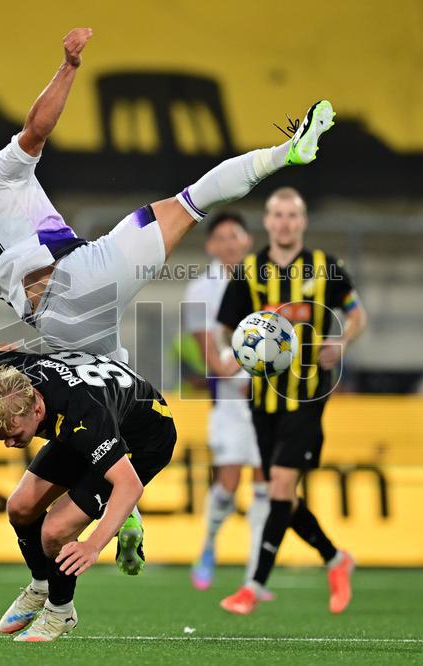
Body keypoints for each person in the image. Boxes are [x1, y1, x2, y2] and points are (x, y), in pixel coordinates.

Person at [0, 28, 335, 362]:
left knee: (113, 418)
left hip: (53, 327)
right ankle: (284, 154)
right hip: (84, 274)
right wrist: (69, 66)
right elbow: (37, 128)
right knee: (190, 202)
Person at [0, 348, 177, 642]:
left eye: (13, 434)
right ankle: (41, 585)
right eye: (1, 437)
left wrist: (92, 544)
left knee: (55, 531)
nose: (9, 444)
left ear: (37, 409)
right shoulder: (10, 378)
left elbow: (129, 486)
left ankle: (61, 611)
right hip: (94, 418)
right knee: (20, 507)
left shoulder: (84, 416)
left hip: (144, 439)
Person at [215, 187, 368, 615]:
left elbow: (357, 314)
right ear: (267, 221)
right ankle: (337, 559)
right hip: (262, 398)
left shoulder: (325, 267)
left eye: (292, 215)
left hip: (308, 393)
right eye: (277, 215)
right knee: (283, 495)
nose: (284, 222)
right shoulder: (250, 270)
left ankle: (253, 585)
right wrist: (238, 352)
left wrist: (342, 342)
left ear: (302, 222)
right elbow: (227, 326)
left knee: (280, 486)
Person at [183, 211, 270, 592]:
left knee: (267, 483)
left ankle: (255, 572)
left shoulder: (270, 283)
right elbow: (214, 362)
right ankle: (209, 545)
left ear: (248, 240)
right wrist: (251, 351)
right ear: (210, 246)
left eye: (236, 235)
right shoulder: (201, 290)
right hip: (231, 401)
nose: (230, 243)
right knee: (229, 484)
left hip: (270, 401)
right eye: (221, 238)